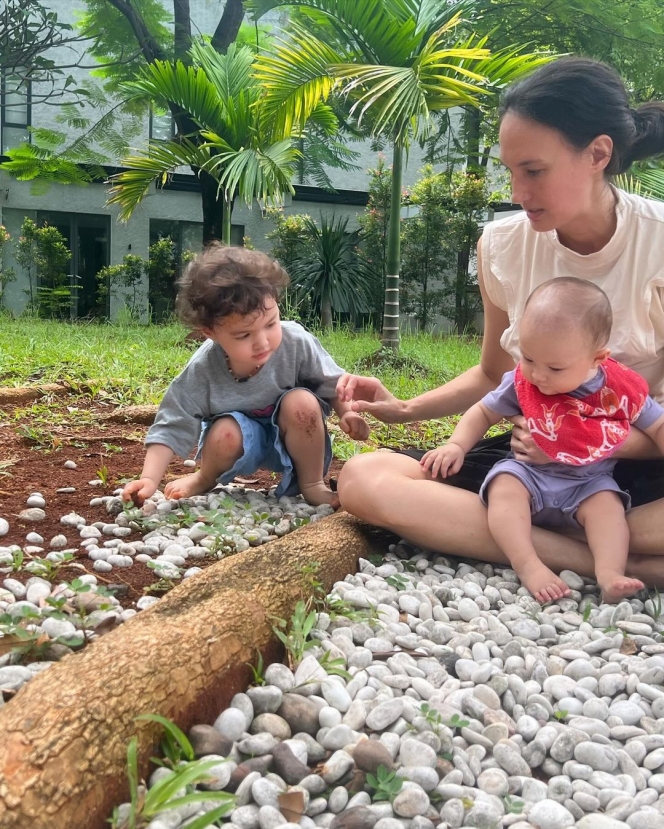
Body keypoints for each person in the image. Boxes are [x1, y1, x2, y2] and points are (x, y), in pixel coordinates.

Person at [336, 56, 664, 589]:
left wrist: (588, 440)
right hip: (532, 464)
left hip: (637, 460)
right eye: (510, 170)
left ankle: (562, 536)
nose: (517, 191)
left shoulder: (658, 241)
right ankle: (611, 562)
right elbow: (493, 376)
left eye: (534, 171)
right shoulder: (504, 245)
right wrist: (403, 409)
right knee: (364, 479)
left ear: (598, 154)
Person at [422, 278, 664, 603]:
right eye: (529, 357)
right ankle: (528, 563)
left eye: (555, 367)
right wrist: (456, 445)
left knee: (609, 510)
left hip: (588, 482)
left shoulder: (620, 391)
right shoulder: (522, 380)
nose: (539, 375)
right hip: (529, 474)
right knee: (504, 488)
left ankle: (609, 573)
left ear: (597, 358)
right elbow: (482, 412)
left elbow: (658, 426)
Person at [122, 244, 368, 509]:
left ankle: (311, 484)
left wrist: (347, 413)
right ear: (210, 332)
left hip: (294, 437)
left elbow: (331, 384)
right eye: (244, 335)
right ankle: (205, 477)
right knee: (224, 431)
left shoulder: (296, 342)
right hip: (235, 441)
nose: (262, 342)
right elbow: (172, 421)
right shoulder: (203, 368)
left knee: (301, 403)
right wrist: (149, 478)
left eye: (271, 324)